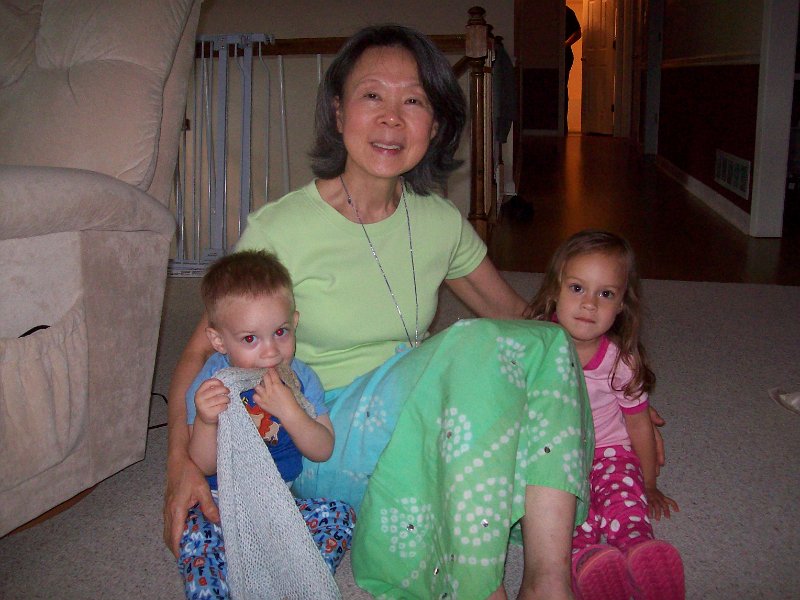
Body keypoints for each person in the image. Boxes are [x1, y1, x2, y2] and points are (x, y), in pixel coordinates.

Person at [163, 24, 663, 600]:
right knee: (472, 347)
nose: (391, 118)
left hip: (418, 422)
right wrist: (180, 464)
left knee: (540, 348)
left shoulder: (438, 221)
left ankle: (548, 583)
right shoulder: (280, 229)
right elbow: (202, 351)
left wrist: (599, 386)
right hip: (319, 436)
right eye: (372, 95)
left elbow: (525, 322)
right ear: (338, 111)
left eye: (414, 101)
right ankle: (477, 586)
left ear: (436, 124)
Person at [178, 250, 356, 598]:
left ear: (295, 321)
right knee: (195, 539)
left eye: (280, 332)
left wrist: (290, 411)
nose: (271, 352)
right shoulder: (211, 386)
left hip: (279, 504)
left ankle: (292, 580)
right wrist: (206, 421)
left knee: (339, 516)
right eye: (250, 339)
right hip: (220, 503)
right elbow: (202, 464)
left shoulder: (300, 379)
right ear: (218, 341)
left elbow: (323, 449)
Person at [528, 230, 685, 600]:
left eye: (606, 294)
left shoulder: (621, 363)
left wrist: (648, 483)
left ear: (621, 306)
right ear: (555, 291)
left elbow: (639, 424)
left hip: (611, 451)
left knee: (624, 500)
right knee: (565, 519)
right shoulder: (535, 348)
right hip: (557, 457)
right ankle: (588, 562)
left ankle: (640, 551)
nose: (589, 304)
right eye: (577, 288)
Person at [564, 6, 582, 128]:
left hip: (565, 55)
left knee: (562, 87)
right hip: (563, 54)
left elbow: (577, 32)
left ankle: (562, 124)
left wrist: (565, 44)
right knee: (562, 87)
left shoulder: (566, 11)